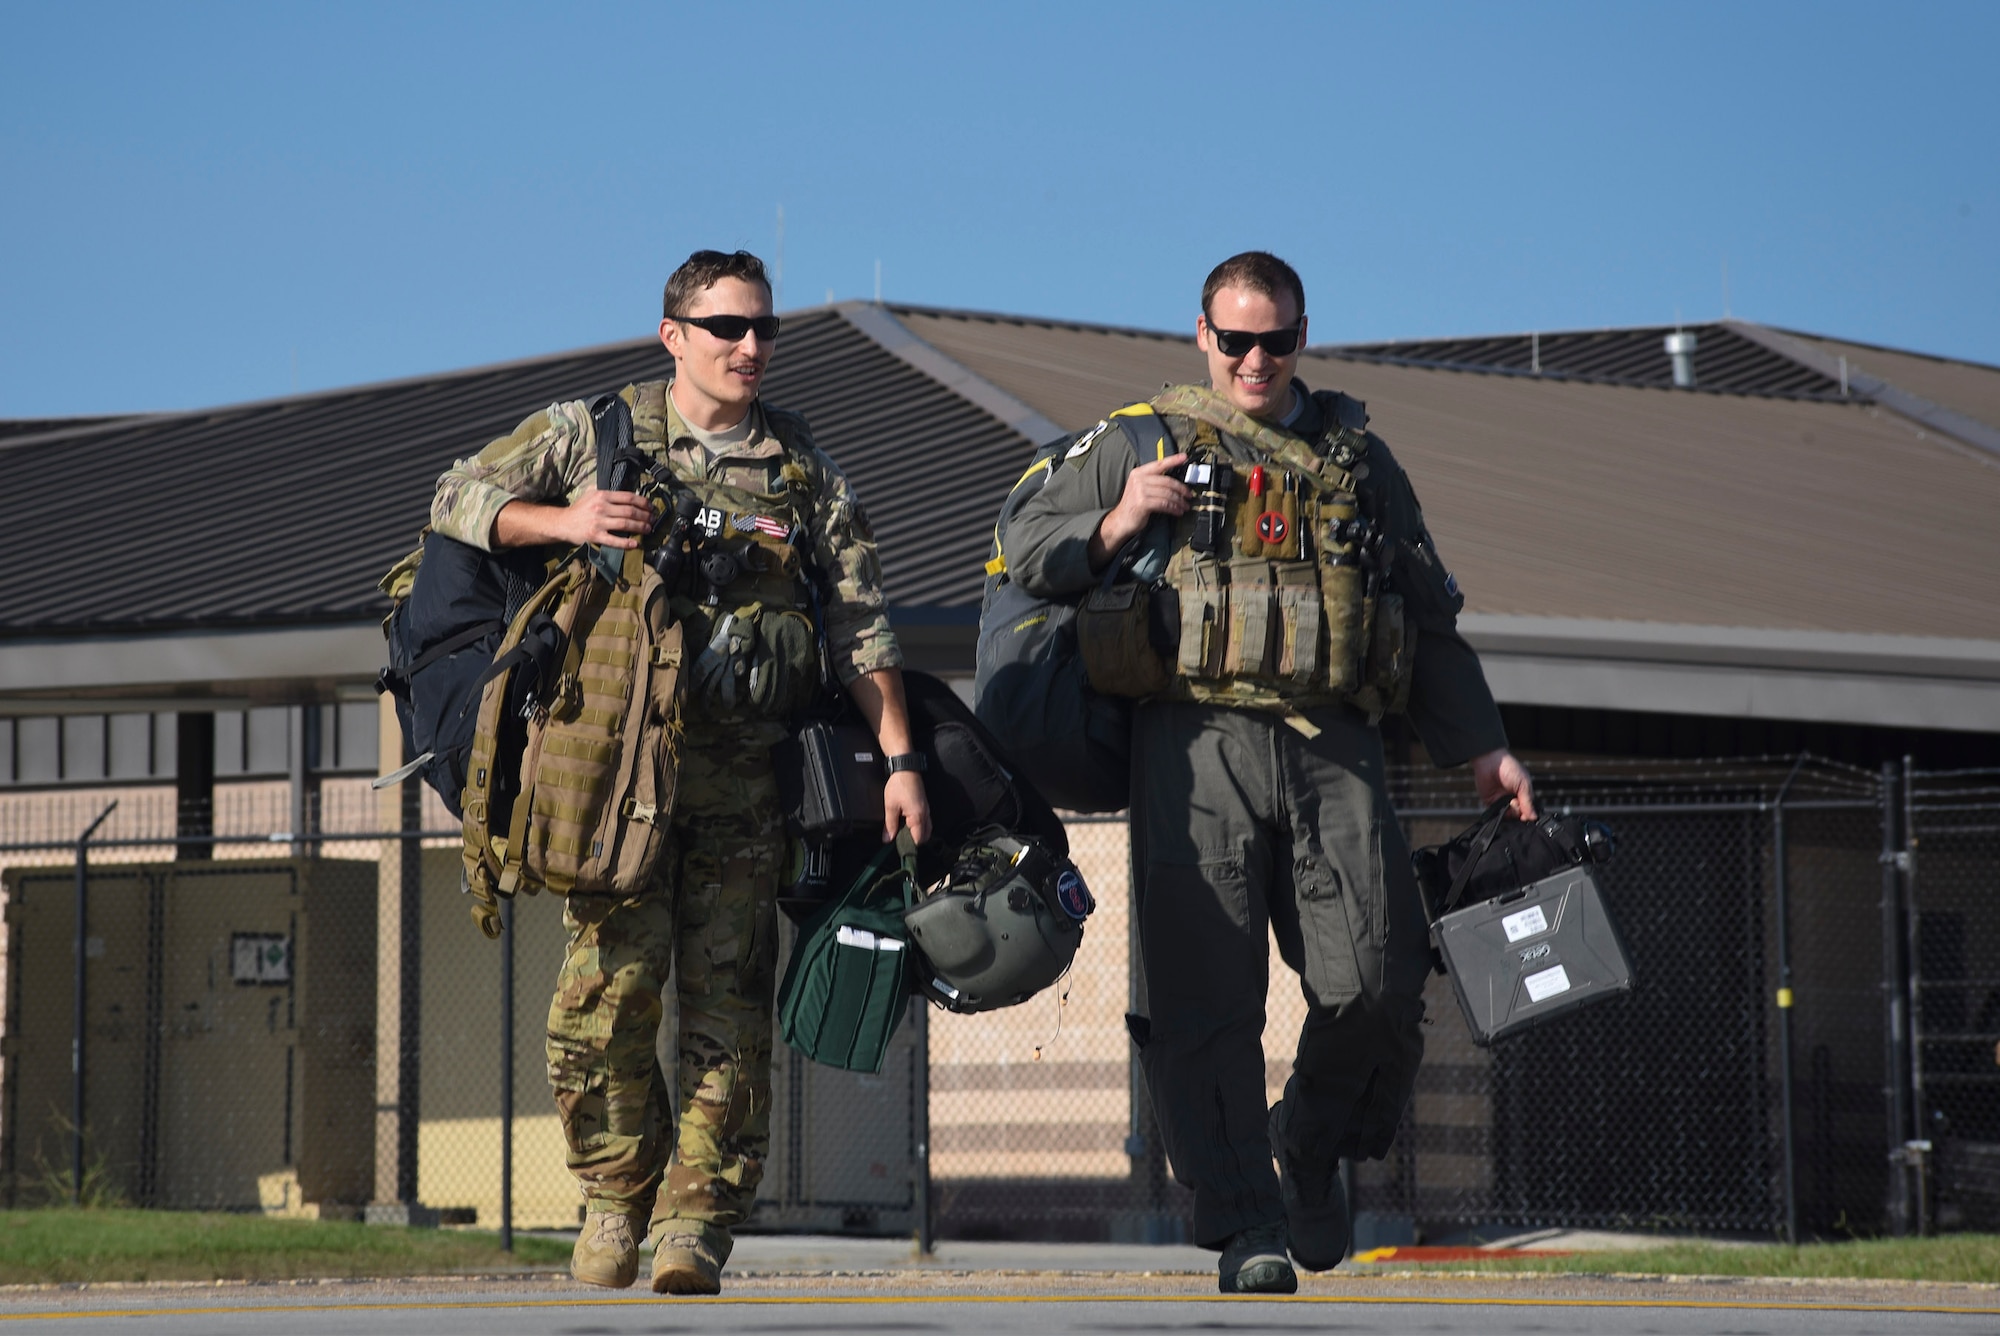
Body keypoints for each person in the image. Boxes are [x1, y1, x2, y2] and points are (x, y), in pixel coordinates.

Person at [1002, 251, 1534, 1294]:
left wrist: (1483, 744)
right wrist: (1116, 519)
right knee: (1205, 999)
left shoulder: (1354, 457)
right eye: (1235, 339)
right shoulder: (1134, 440)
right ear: (1200, 332)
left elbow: (1424, 618)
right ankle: (1243, 1221)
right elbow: (1023, 543)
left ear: (1302, 337)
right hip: (1189, 745)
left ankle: (1309, 1137)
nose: (1254, 358)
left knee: (1379, 976)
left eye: (1275, 339)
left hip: (1333, 742)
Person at [429, 249, 930, 1296]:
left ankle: (692, 1223)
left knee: (728, 1010)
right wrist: (567, 518)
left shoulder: (802, 469)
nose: (749, 347)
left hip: (747, 779)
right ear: (674, 336)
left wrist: (898, 760)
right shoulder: (594, 434)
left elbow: (862, 626)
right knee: (600, 999)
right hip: (616, 777)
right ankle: (616, 1198)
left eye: (763, 330)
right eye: (725, 328)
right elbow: (458, 496)